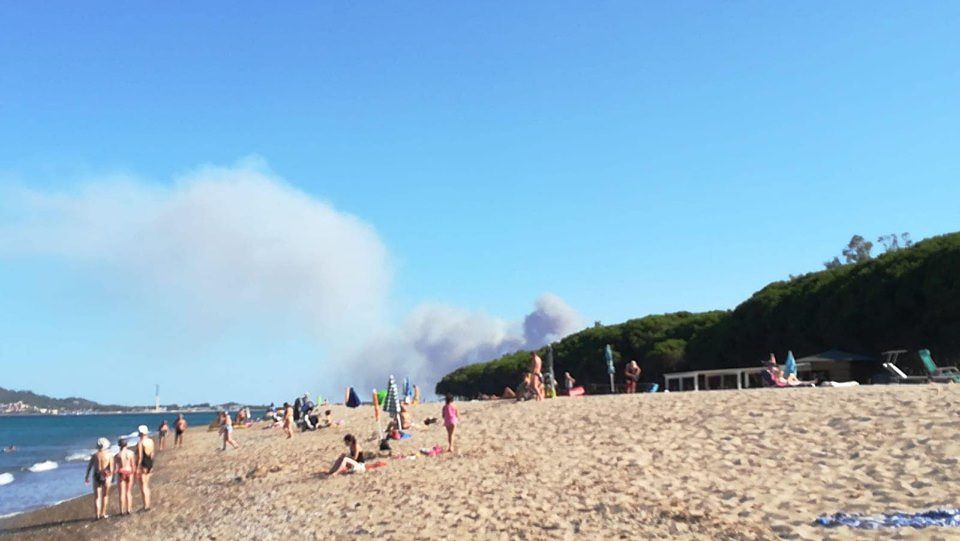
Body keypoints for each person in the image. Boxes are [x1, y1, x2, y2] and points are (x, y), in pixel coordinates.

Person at [84, 437, 113, 519]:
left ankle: (97, 515)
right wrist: (111, 475)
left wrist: (87, 476)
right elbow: (111, 468)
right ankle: (103, 513)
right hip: (106, 476)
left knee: (97, 497)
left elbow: (89, 467)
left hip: (96, 475)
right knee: (105, 496)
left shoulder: (95, 455)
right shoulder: (109, 455)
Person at [114, 437, 136, 516]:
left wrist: (113, 477)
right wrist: (134, 474)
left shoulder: (117, 455)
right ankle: (129, 509)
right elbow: (133, 465)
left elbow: (116, 468)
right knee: (128, 492)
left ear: (119, 445)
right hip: (129, 471)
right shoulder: (131, 453)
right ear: (126, 444)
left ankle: (122, 511)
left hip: (121, 472)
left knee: (121, 493)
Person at [136, 425, 155, 512]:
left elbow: (140, 456)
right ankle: (148, 504)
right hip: (149, 463)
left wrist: (137, 467)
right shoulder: (151, 441)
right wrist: (151, 464)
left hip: (143, 464)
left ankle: (146, 506)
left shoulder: (140, 443)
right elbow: (152, 454)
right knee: (146, 485)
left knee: (143, 486)